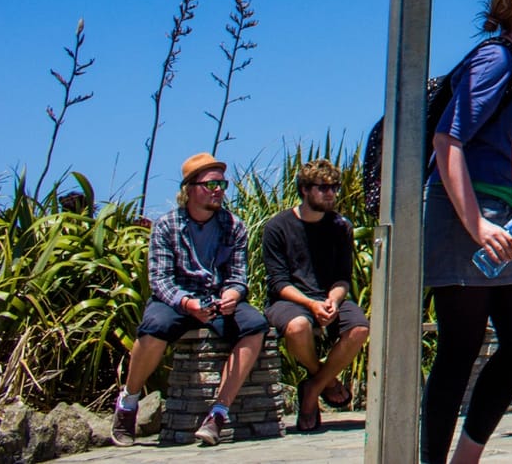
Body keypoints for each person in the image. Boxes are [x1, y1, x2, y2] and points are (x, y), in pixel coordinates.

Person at [422, 0, 512, 464]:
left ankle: (466, 455)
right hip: (466, 212)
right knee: (460, 345)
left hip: (505, 213)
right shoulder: (496, 60)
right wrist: (475, 224)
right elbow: (447, 139)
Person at [111, 152, 268, 447]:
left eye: (222, 183)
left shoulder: (234, 225)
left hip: (216, 297)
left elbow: (237, 276)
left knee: (256, 325)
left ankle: (218, 414)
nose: (218, 189)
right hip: (177, 298)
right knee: (154, 326)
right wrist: (187, 304)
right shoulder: (166, 226)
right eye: (211, 184)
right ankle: (129, 403)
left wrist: (232, 295)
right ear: (190, 189)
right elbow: (160, 281)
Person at [259, 158, 371, 432]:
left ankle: (311, 390)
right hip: (289, 300)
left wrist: (332, 300)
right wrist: (310, 303)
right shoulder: (278, 227)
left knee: (359, 328)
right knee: (298, 327)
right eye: (323, 187)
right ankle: (326, 382)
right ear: (305, 189)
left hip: (329, 296)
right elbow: (278, 282)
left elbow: (343, 277)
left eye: (334, 187)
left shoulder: (340, 226)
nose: (331, 192)